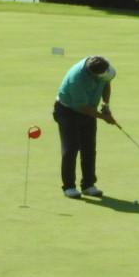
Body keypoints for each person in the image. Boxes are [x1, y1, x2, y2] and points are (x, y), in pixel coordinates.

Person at [52, 55, 117, 198]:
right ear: (92, 73)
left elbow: (106, 83)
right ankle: (69, 187)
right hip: (68, 110)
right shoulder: (77, 79)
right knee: (71, 149)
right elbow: (84, 108)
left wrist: (106, 106)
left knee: (89, 148)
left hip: (88, 109)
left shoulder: (105, 67)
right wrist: (104, 118)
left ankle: (88, 185)